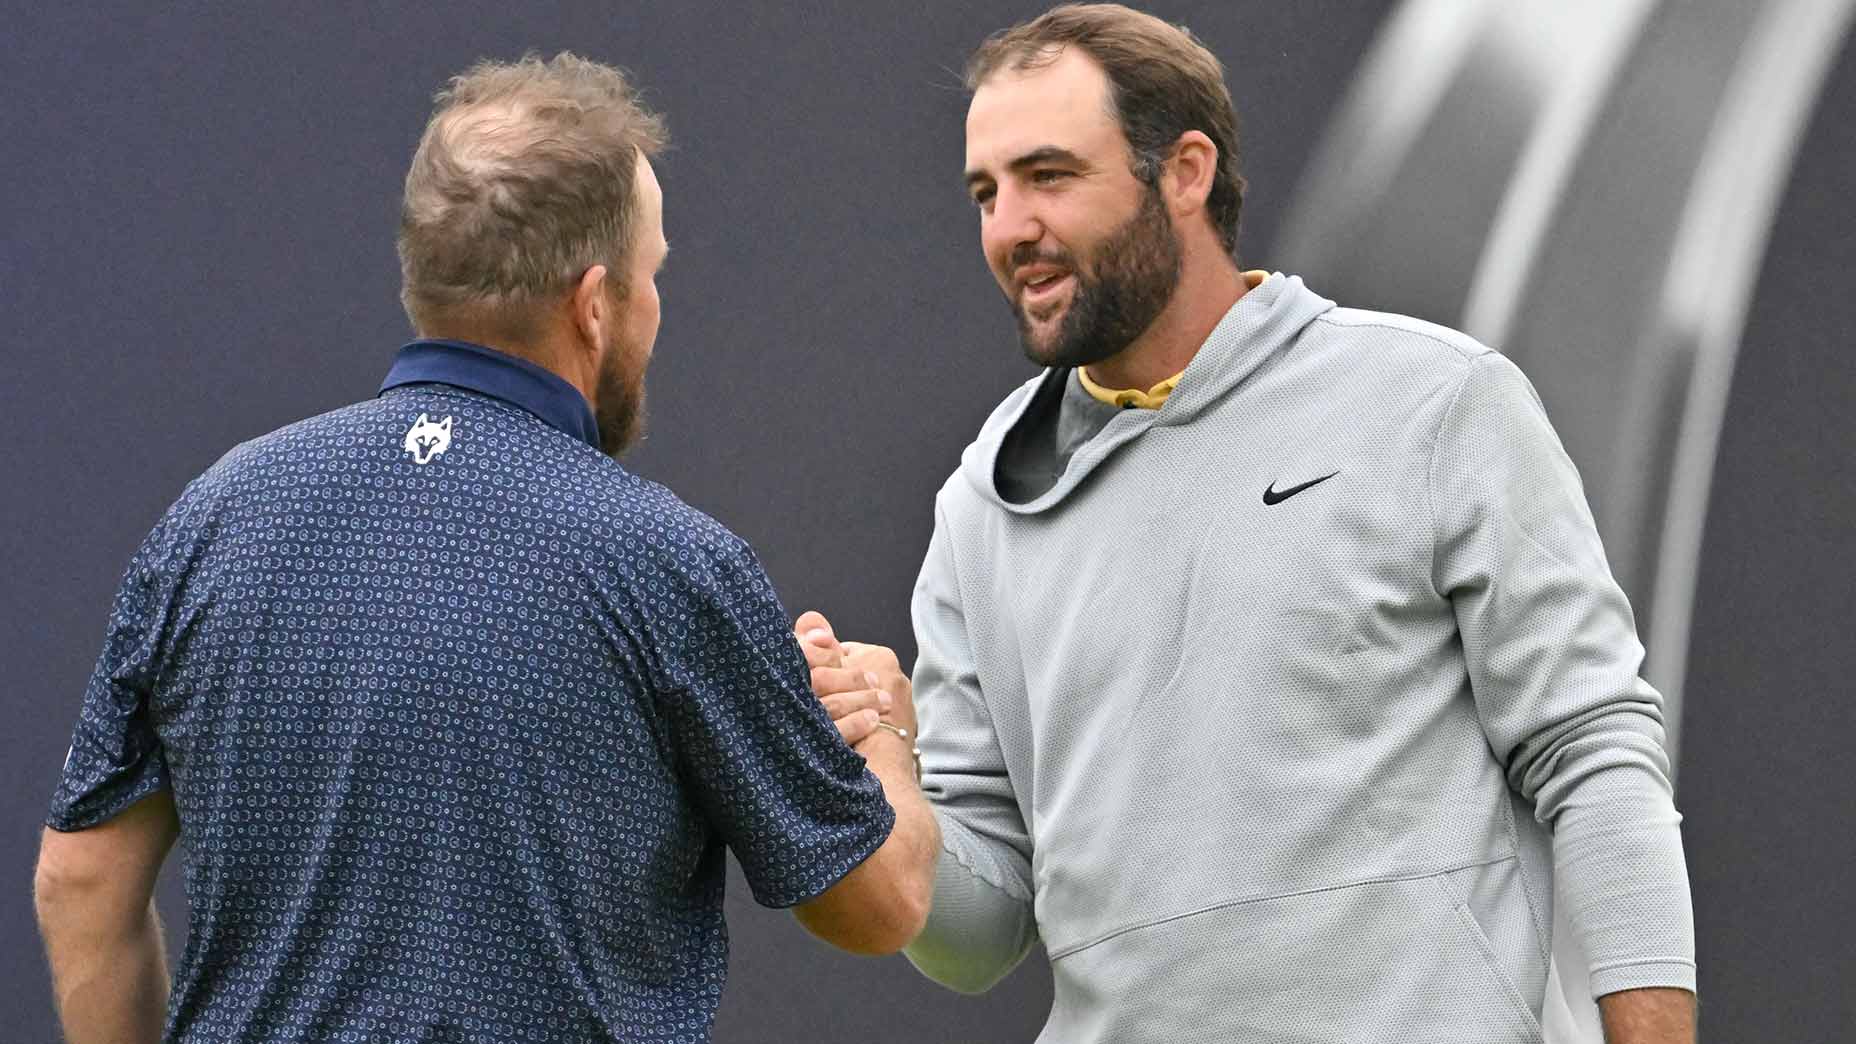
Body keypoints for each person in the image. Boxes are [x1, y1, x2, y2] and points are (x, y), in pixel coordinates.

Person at [833, 5, 1696, 1042]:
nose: (1009, 229)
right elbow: (978, 940)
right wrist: (889, 782)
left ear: (1185, 173)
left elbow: (1593, 754)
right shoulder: (978, 506)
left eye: (1048, 176)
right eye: (986, 192)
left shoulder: (1435, 400)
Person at [32, 52, 935, 1044]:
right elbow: (878, 905)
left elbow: (81, 881)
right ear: (593, 303)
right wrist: (884, 736)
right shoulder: (674, 567)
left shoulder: (212, 519)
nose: (654, 306)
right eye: (651, 275)